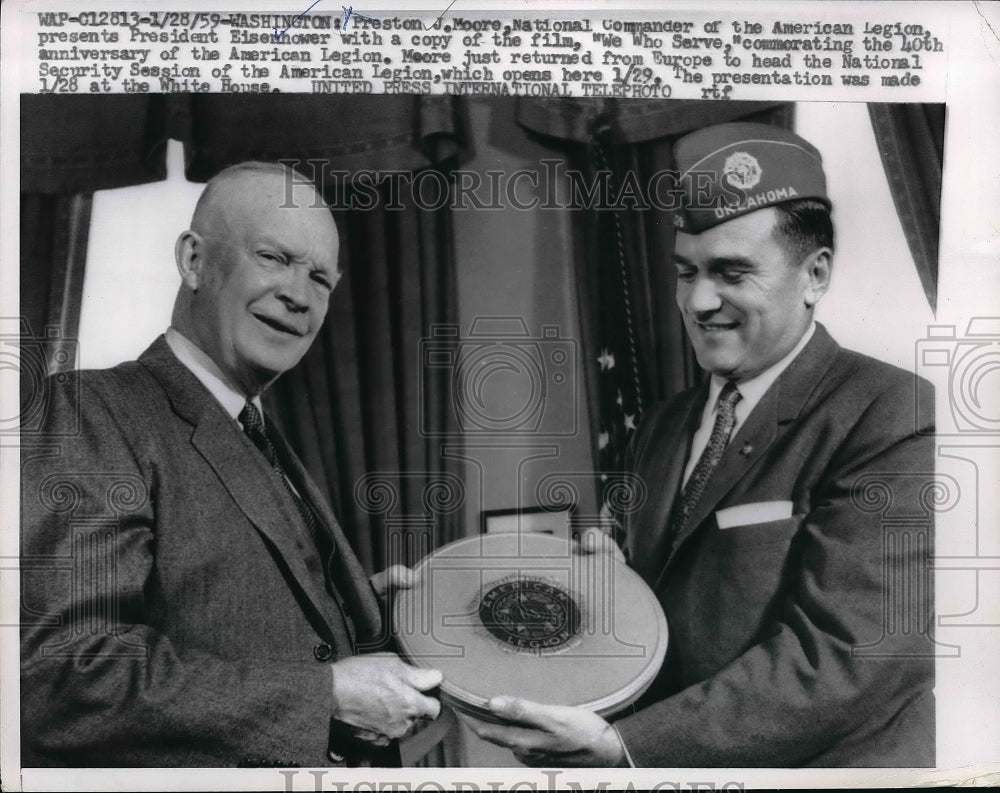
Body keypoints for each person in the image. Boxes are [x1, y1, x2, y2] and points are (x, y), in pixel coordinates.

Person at [469, 123, 936, 767]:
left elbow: (853, 656)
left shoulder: (892, 413)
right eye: (685, 272)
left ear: (815, 274)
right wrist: (604, 586)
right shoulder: (665, 424)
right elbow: (666, 609)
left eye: (731, 272)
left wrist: (628, 746)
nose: (699, 300)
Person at [20, 162, 442, 767]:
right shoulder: (90, 411)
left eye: (321, 279)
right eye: (274, 257)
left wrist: (345, 611)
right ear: (193, 260)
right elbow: (63, 677)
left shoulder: (260, 434)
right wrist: (325, 696)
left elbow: (224, 609)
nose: (299, 296)